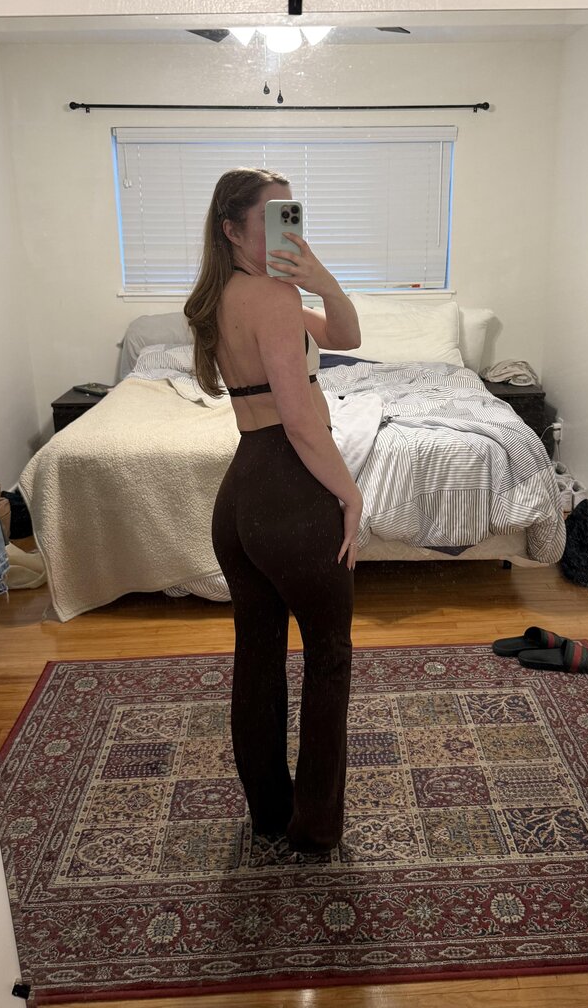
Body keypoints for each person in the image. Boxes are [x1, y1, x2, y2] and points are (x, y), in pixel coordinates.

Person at [184, 167, 363, 853]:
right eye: (272, 216)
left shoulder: (228, 295)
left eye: (293, 212)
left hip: (241, 498)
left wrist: (321, 278)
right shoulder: (273, 299)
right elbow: (300, 421)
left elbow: (345, 335)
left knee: (257, 654)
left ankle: (268, 812)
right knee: (329, 657)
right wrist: (349, 493)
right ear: (233, 228)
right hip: (289, 494)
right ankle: (314, 829)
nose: (290, 226)